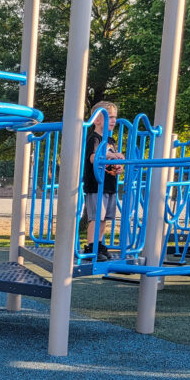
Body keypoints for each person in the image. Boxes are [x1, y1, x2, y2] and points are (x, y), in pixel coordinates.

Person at [82, 100, 125, 261]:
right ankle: (90, 247)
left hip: (109, 184)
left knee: (105, 218)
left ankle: (99, 244)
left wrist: (117, 166)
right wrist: (112, 155)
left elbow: (111, 161)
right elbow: (93, 158)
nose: (113, 120)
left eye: (114, 117)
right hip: (96, 185)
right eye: (110, 117)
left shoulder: (111, 141)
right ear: (97, 120)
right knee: (96, 217)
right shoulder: (94, 139)